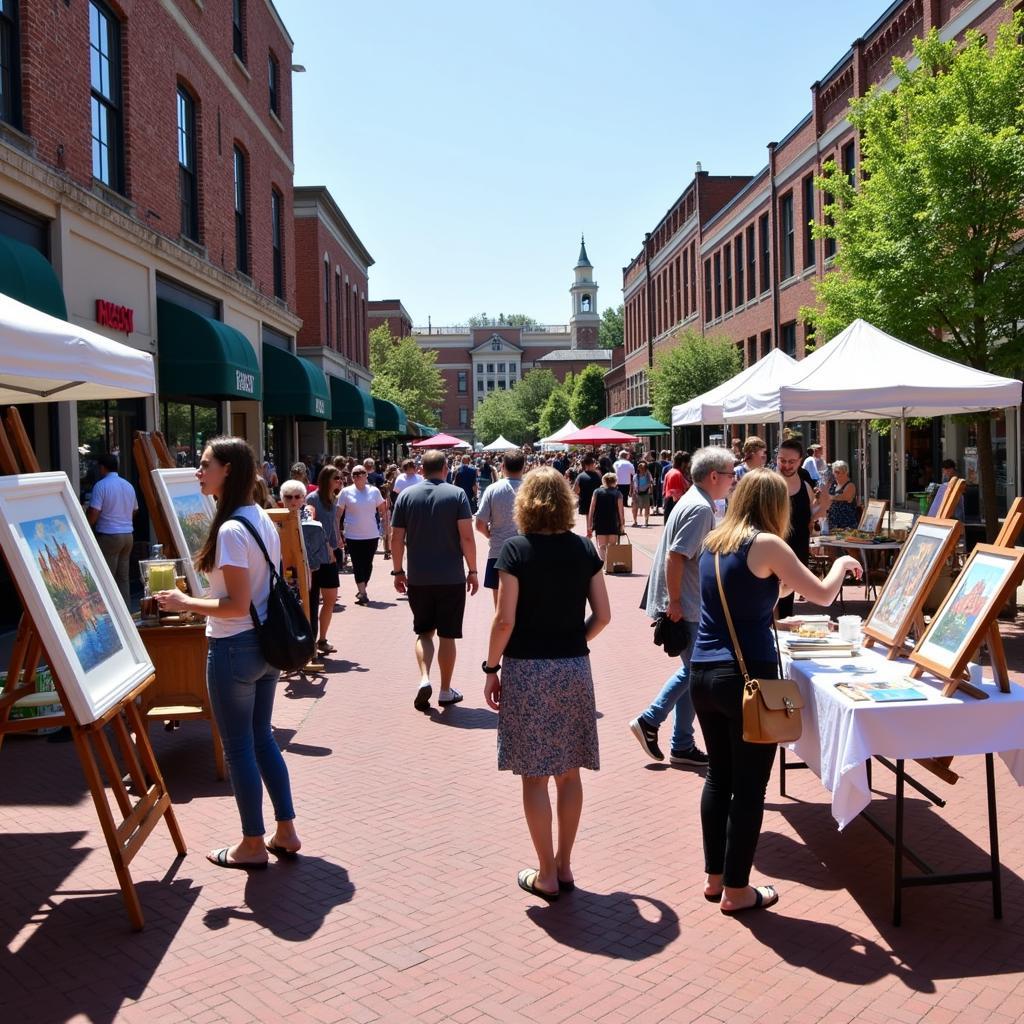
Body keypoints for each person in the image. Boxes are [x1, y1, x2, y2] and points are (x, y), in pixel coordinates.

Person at [691, 469, 861, 912]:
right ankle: (737, 890)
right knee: (750, 786)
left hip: (704, 673)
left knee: (718, 777)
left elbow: (752, 591)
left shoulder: (716, 541)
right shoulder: (766, 543)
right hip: (748, 678)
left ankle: (715, 878)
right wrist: (842, 563)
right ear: (773, 504)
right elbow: (822, 595)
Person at [155, 436, 301, 868]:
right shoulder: (258, 516)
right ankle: (285, 830)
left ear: (228, 471)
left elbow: (235, 604)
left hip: (234, 645)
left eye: (205, 464)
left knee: (240, 747)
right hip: (265, 646)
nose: (198, 472)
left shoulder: (233, 527)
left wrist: (184, 604)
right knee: (261, 739)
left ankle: (253, 843)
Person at [484, 468, 611, 901]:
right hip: (573, 666)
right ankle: (565, 864)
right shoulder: (583, 549)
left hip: (527, 669)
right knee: (569, 772)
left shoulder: (516, 551)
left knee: (534, 776)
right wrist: (577, 638)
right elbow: (604, 615)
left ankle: (545, 873)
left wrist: (490, 667)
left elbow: (505, 619)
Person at [629, 447, 736, 767]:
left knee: (694, 672)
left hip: (687, 600)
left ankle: (682, 742)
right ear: (714, 476)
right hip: (687, 602)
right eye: (731, 475)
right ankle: (651, 719)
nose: (733, 480)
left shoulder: (696, 502)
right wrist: (674, 601)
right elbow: (677, 556)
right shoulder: (701, 508)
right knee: (696, 671)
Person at [390, 449, 479, 710]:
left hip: (418, 577)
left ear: (421, 470)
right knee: (448, 636)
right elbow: (466, 537)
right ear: (445, 469)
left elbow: (396, 538)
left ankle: (424, 677)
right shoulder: (457, 494)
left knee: (423, 632)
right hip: (450, 577)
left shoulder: (406, 496)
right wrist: (472, 570)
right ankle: (445, 690)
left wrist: (398, 571)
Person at [775, 439, 829, 618]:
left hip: (798, 548)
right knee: (770, 600)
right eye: (782, 460)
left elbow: (813, 513)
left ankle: (782, 634)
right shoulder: (769, 483)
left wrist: (824, 502)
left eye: (792, 462)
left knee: (788, 601)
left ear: (800, 461)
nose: (787, 465)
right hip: (773, 550)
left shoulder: (804, 482)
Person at [86, 453, 138, 605]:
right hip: (127, 535)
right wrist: (124, 520)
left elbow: (94, 511)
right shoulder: (128, 485)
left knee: (106, 577)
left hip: (109, 535)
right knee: (123, 577)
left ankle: (110, 613)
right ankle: (126, 611)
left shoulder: (101, 486)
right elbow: (135, 509)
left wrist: (87, 526)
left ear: (102, 468)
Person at [475, 451, 525, 607]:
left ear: (502, 467)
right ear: (524, 467)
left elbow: (479, 524)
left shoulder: (492, 489)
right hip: (527, 553)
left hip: (499, 552)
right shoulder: (531, 489)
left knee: (500, 607)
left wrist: (490, 535)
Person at [306, 465, 343, 655]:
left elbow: (332, 524)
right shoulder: (312, 498)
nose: (340, 481)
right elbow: (309, 526)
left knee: (330, 598)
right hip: (315, 558)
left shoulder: (334, 498)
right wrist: (326, 545)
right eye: (336, 478)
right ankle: (310, 642)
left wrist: (337, 540)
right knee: (312, 601)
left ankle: (322, 639)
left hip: (331, 557)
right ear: (327, 479)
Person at [340, 465, 386, 605]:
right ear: (351, 476)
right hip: (353, 535)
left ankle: (362, 587)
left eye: (362, 473)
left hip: (371, 534)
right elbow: (338, 514)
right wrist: (338, 531)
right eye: (355, 473)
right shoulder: (345, 492)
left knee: (368, 564)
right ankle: (363, 592)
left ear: (367, 475)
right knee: (357, 563)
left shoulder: (374, 491)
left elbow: (382, 509)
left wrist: (385, 518)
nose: (358, 476)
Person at [587, 472, 624, 561]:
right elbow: (620, 511)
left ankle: (605, 564)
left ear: (603, 481)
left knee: (601, 546)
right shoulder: (618, 493)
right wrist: (622, 524)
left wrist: (589, 524)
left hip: (600, 521)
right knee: (612, 546)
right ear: (615, 481)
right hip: (613, 521)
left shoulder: (597, 492)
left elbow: (592, 509)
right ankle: (610, 564)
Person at [826, 460, 859, 531]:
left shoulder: (850, 485)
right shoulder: (833, 484)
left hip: (846, 523)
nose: (835, 474)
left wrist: (829, 497)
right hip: (833, 522)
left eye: (837, 472)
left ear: (845, 473)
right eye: (834, 472)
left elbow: (844, 497)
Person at [572, 454, 602, 529]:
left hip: (585, 500)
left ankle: (589, 532)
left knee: (589, 517)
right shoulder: (598, 475)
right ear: (592, 464)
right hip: (598, 500)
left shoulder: (580, 476)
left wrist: (581, 493)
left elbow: (575, 490)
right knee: (597, 518)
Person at [661, 451, 689, 520]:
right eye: (687, 463)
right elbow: (676, 498)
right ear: (683, 463)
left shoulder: (671, 472)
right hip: (675, 511)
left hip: (671, 509)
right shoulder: (676, 474)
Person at [613, 449, 637, 525]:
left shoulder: (616, 463)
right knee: (624, 501)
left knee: (617, 501)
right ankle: (622, 518)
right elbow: (633, 474)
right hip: (626, 484)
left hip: (617, 484)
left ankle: (619, 518)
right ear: (626, 456)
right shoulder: (629, 464)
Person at [633, 461, 653, 526]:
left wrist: (651, 491)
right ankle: (635, 521)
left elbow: (651, 483)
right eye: (641, 468)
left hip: (646, 493)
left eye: (644, 468)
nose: (642, 469)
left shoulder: (648, 475)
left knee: (647, 507)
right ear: (638, 468)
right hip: (637, 494)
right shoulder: (636, 476)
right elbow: (633, 484)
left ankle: (646, 521)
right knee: (635, 508)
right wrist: (632, 492)